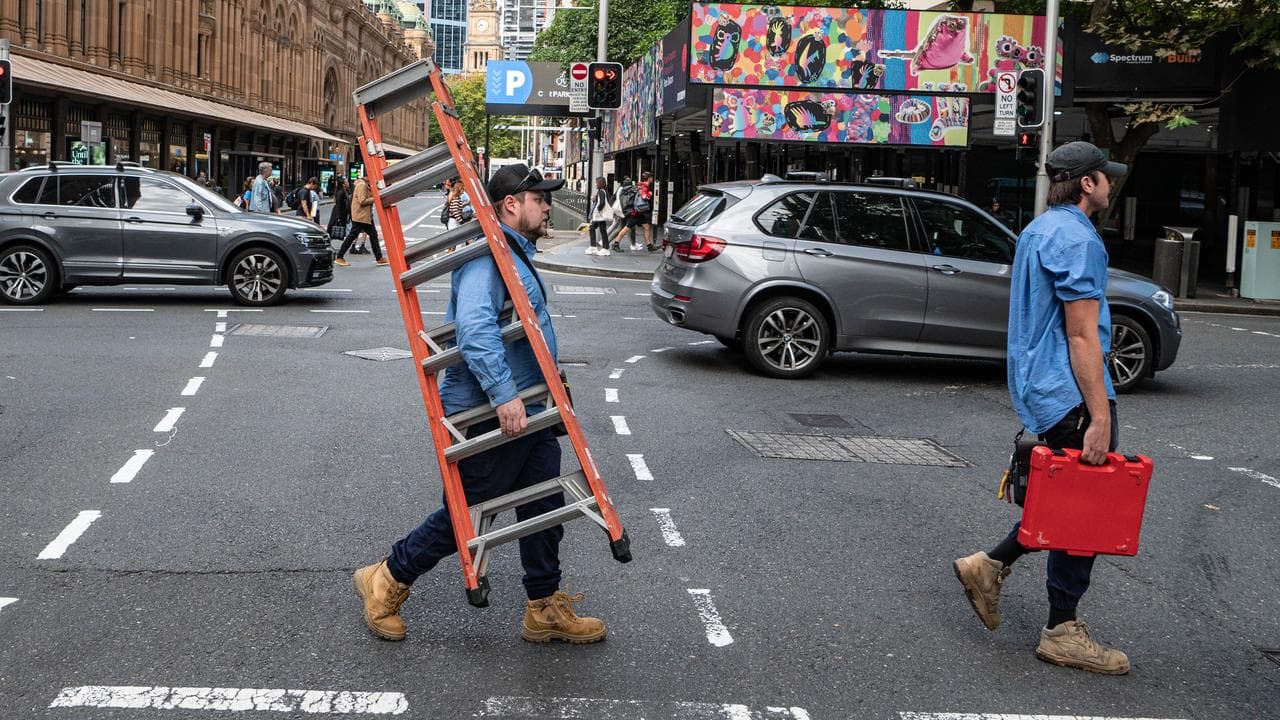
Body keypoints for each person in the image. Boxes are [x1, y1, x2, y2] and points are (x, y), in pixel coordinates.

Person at [353, 163, 606, 645]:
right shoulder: (487, 257)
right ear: (511, 204)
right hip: (492, 411)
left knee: (544, 504)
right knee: (467, 511)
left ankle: (543, 606)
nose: (548, 206)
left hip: (531, 408)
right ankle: (387, 577)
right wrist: (504, 394)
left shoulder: (513, 252)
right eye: (539, 198)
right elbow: (473, 328)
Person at [954, 141, 1130, 675]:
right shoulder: (1079, 239)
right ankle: (1061, 630)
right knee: (1086, 508)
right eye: (1105, 176)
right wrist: (1099, 415)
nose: (1111, 183)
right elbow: (1081, 334)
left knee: (1067, 497)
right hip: (1071, 390)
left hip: (1041, 384)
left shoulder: (1039, 230)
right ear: (1087, 184)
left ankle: (991, 565)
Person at [335, 175, 387, 266]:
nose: (375, 181)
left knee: (373, 235)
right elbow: (362, 201)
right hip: (360, 216)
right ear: (368, 177)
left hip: (364, 216)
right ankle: (339, 256)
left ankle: (379, 258)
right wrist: (376, 199)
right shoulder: (362, 185)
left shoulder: (365, 185)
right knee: (353, 236)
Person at [610, 177, 638, 253]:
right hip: (628, 211)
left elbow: (613, 197)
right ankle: (613, 243)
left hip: (621, 211)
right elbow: (631, 201)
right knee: (625, 227)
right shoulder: (631, 190)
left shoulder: (621, 189)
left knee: (623, 227)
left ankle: (632, 244)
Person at [587, 177, 613, 256]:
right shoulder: (602, 191)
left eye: (596, 182)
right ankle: (594, 247)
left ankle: (604, 249)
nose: (595, 184)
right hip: (599, 216)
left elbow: (602, 203)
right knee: (594, 228)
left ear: (600, 183)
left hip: (599, 215)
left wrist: (597, 210)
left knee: (600, 230)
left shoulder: (601, 191)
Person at [636, 171, 657, 252]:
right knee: (627, 227)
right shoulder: (645, 186)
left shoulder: (641, 185)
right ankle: (616, 243)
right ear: (649, 178)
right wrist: (650, 194)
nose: (652, 179)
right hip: (640, 210)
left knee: (646, 227)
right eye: (651, 178)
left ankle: (649, 245)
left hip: (639, 210)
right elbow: (644, 196)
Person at [327, 177, 351, 244]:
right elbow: (338, 204)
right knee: (333, 229)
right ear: (343, 184)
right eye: (347, 182)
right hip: (339, 213)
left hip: (343, 213)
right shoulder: (341, 192)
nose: (348, 183)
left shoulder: (345, 191)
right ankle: (327, 242)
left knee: (338, 229)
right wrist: (338, 217)